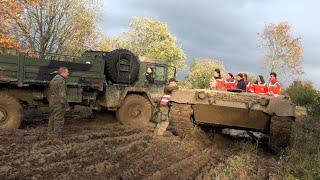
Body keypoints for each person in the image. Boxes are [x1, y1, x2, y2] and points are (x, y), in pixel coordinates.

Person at [48, 67, 70, 138]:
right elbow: (62, 95)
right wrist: (66, 106)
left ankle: (50, 133)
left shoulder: (53, 79)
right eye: (67, 72)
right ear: (62, 72)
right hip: (59, 102)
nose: (68, 74)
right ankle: (57, 136)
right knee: (59, 118)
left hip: (52, 100)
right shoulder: (61, 81)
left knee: (52, 117)